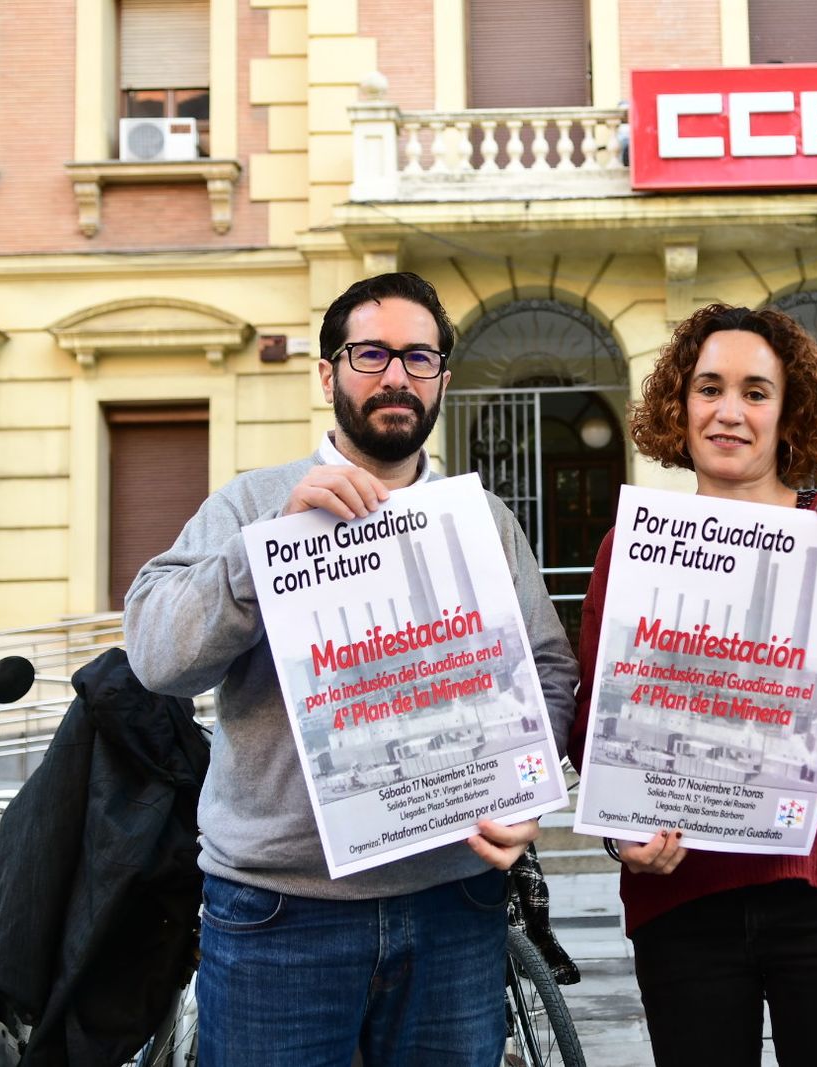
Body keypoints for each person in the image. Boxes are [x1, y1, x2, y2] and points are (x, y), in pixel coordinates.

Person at [124, 272, 579, 1067]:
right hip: (279, 916)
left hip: (454, 906)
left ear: (442, 380)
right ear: (327, 373)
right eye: (371, 354)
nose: (396, 375)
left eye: (419, 357)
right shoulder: (252, 504)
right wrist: (267, 548)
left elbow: (546, 668)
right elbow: (157, 654)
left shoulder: (484, 520)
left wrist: (528, 790)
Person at [567, 303, 817, 1066]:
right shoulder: (631, 549)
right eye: (709, 388)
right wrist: (621, 832)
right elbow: (595, 715)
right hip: (682, 896)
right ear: (679, 405)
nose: (729, 411)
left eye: (756, 392)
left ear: (788, 414)